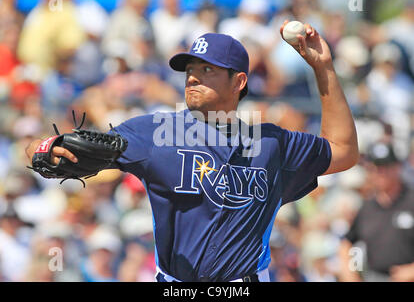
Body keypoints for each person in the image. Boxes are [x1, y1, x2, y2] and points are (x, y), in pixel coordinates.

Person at [26, 21, 359, 282]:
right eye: (190, 70)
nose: (192, 79)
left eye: (207, 70)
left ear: (239, 81)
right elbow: (46, 149)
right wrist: (45, 148)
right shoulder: (155, 133)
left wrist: (323, 67)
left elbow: (343, 151)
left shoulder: (271, 144)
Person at [338, 142, 414, 282]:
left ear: (398, 167)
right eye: (376, 168)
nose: (381, 173)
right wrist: (350, 274)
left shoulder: (411, 201)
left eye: (386, 167)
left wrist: (412, 271)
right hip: (375, 277)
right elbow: (347, 243)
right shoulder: (367, 207)